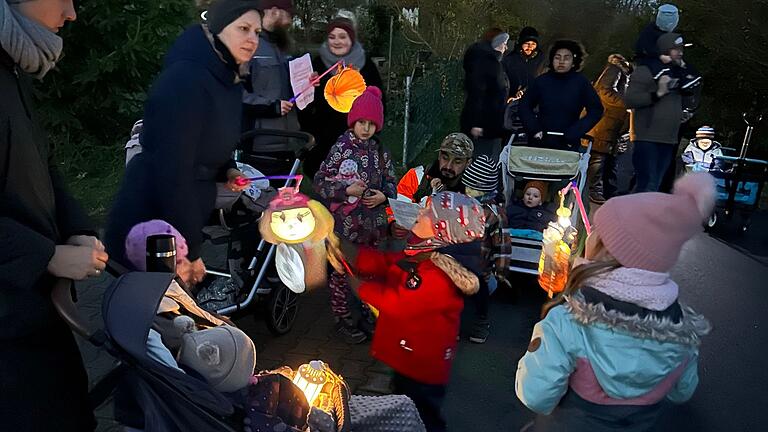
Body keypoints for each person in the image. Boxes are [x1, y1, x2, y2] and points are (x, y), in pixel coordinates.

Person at [515, 172, 714, 431]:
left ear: (605, 248)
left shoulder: (568, 321)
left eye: (597, 230)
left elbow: (536, 395)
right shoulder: (681, 331)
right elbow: (682, 391)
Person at [0, 0, 110, 430]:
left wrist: (78, 229)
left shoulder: (13, 70)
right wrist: (45, 254)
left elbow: (44, 165)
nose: (71, 14)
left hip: (37, 312)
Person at [105, 0, 261, 285]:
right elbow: (173, 172)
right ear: (217, 28)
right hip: (153, 221)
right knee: (154, 314)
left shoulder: (226, 79)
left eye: (257, 31)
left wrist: (229, 170)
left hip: (180, 218)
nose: (252, 39)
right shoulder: (185, 80)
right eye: (243, 28)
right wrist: (191, 250)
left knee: (173, 315)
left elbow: (208, 139)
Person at [328, 191, 485, 432]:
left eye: (424, 215)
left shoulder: (437, 277)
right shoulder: (423, 255)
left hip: (422, 368)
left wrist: (357, 284)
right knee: (403, 402)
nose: (417, 215)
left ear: (440, 231)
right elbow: (388, 262)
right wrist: (349, 251)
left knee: (423, 416)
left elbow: (397, 305)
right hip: (408, 359)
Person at [314, 86, 396, 344]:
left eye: (372, 124)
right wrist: (344, 189)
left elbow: (391, 182)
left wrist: (384, 196)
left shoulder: (380, 152)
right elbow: (320, 182)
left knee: (368, 273)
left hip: (372, 228)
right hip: (344, 229)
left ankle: (366, 313)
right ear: (353, 121)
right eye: (361, 122)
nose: (366, 128)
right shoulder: (341, 148)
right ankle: (343, 318)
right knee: (341, 273)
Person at [299, 16, 384, 180]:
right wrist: (308, 88)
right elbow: (304, 104)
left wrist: (371, 130)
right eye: (332, 37)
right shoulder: (317, 65)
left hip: (357, 139)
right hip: (324, 141)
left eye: (342, 36)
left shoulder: (366, 65)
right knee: (326, 188)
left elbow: (379, 102)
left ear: (351, 39)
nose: (337, 41)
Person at [625, 33, 702, 192]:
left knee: (655, 184)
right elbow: (631, 100)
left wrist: (686, 112)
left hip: (669, 138)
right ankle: (630, 214)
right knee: (647, 183)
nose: (680, 52)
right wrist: (658, 93)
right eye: (675, 49)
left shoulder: (679, 72)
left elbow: (691, 92)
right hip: (646, 137)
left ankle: (638, 213)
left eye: (681, 49)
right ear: (664, 50)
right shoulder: (646, 70)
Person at [241, 0, 299, 177]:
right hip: (259, 145)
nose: (289, 22)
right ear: (275, 12)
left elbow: (288, 87)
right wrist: (270, 107)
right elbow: (235, 93)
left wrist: (306, 83)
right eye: (288, 15)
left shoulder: (283, 47)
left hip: (289, 144)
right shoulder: (248, 44)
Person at [519, 40, 604, 150]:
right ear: (552, 60)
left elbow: (596, 110)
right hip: (540, 140)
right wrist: (534, 128)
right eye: (557, 57)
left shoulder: (581, 83)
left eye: (566, 58)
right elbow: (524, 105)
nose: (561, 62)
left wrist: (576, 130)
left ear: (574, 62)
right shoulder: (541, 81)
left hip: (568, 142)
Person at [461, 155, 510, 344]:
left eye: (475, 189)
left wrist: (500, 272)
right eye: (468, 187)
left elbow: (503, 248)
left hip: (482, 268)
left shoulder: (495, 215)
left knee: (482, 289)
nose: (470, 192)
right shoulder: (460, 206)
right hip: (460, 262)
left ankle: (481, 320)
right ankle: (453, 320)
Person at [389, 132, 474, 238]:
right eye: (445, 158)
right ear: (439, 156)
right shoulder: (417, 176)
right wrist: (393, 225)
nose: (448, 166)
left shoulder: (472, 188)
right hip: (415, 245)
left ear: (468, 163)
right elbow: (396, 208)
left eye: (457, 162)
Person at [585, 54, 633, 204]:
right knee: (598, 157)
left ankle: (605, 191)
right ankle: (594, 190)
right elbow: (605, 90)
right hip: (603, 122)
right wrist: (628, 103)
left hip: (611, 123)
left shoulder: (622, 73)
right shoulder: (614, 70)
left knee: (606, 159)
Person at [460, 28, 510, 157]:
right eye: (504, 43)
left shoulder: (491, 62)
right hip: (484, 125)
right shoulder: (487, 63)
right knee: (481, 159)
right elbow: (478, 93)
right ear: (497, 43)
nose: (506, 47)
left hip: (489, 123)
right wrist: (477, 123)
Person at [502, 26, 546, 100]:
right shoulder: (509, 60)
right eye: (527, 43)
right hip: (512, 101)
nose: (530, 47)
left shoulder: (543, 60)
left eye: (533, 44)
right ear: (521, 43)